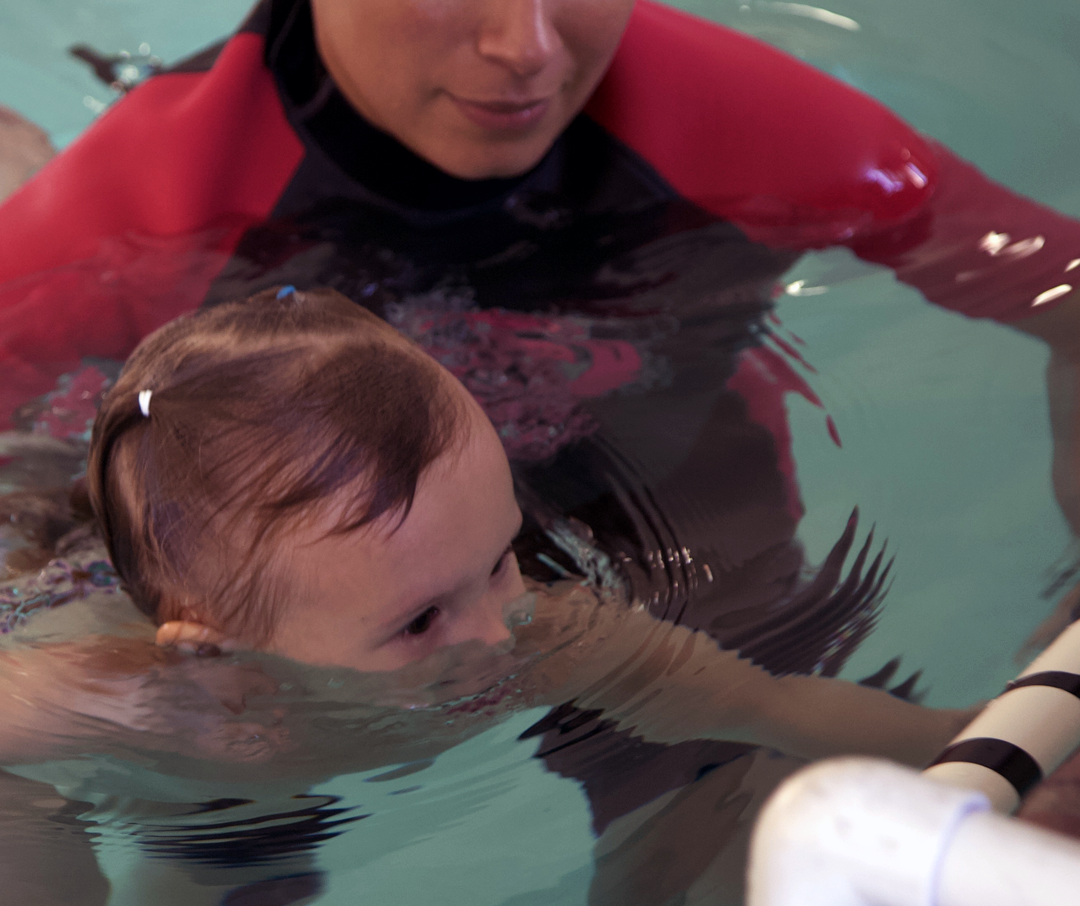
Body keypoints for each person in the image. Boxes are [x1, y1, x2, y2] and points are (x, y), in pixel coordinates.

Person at [1, 0, 1080, 880]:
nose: (527, 44)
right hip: (225, 579)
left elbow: (1066, 293)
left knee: (721, 812)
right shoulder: (129, 219)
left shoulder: (727, 124)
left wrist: (1035, 710)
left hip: (670, 484)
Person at [0, 286, 968, 903]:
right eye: (421, 621)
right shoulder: (125, 692)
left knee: (252, 856)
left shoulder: (547, 628)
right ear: (209, 650)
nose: (499, 634)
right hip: (132, 697)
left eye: (503, 556)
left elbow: (771, 709)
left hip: (269, 761)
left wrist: (978, 741)